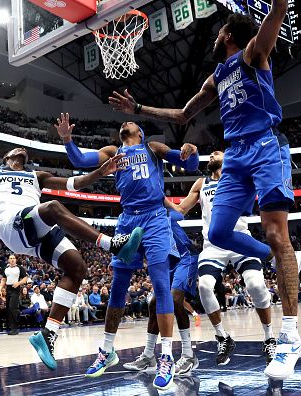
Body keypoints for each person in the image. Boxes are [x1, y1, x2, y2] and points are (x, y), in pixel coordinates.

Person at [108, 5, 301, 380]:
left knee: (277, 232)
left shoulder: (252, 54)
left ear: (228, 35)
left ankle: (290, 336)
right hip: (234, 156)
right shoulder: (217, 76)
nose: (214, 37)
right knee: (216, 233)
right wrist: (139, 108)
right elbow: (183, 115)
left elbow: (278, 10)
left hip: (265, 146)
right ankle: (286, 259)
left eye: (218, 33)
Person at [0, 107, 143, 370]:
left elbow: (75, 184)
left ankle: (48, 334)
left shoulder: (38, 176)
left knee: (77, 267)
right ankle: (112, 244)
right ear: (6, 157)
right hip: (12, 225)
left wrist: (101, 173)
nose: (21, 150)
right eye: (15, 150)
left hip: (34, 229)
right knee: (54, 208)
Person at [55, 114, 199, 390]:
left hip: (155, 217)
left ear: (140, 132)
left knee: (160, 284)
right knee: (118, 286)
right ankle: (107, 350)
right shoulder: (113, 152)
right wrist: (66, 140)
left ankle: (166, 356)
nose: (124, 124)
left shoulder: (152, 148)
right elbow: (80, 162)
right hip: (126, 219)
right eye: (121, 124)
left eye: (130, 124)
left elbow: (186, 162)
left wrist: (191, 153)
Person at [166, 151, 301, 365]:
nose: (212, 154)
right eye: (211, 153)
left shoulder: (238, 177)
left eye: (217, 152)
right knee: (204, 286)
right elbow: (181, 210)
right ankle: (223, 337)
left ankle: (269, 338)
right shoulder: (201, 183)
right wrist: (160, 201)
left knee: (256, 286)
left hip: (239, 240)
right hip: (213, 246)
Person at [123, 204, 201, 376]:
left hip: (186, 258)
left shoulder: (159, 213)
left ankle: (188, 355)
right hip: (168, 262)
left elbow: (179, 216)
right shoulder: (138, 225)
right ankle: (149, 355)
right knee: (153, 304)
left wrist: (165, 208)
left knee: (174, 300)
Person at [0, 255, 27, 335]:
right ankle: (10, 327)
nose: (12, 260)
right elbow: (4, 279)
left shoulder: (19, 268)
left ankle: (15, 327)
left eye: (13, 258)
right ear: (8, 260)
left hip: (15, 289)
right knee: (8, 308)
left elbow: (25, 278)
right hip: (8, 288)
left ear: (16, 260)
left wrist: (18, 283)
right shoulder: (6, 269)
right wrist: (0, 289)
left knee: (13, 308)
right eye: (10, 258)